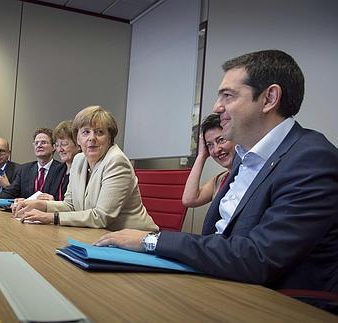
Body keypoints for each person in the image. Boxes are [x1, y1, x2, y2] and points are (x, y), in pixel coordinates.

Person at [95, 50, 338, 298]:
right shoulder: (246, 157)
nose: (217, 107)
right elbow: (220, 238)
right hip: (222, 284)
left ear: (269, 98)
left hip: (279, 302)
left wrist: (151, 241)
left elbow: (259, 258)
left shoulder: (311, 158)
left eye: (228, 96)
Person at [14, 106, 159, 231]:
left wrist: (51, 217)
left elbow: (101, 217)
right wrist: (41, 205)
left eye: (100, 132)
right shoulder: (79, 160)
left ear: (110, 138)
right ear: (77, 139)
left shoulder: (116, 161)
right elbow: (70, 205)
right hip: (98, 236)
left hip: (134, 240)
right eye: (85, 132)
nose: (92, 138)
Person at [0, 128, 66, 200]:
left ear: (54, 147)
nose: (39, 145)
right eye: (36, 143)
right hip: (25, 214)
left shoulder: (62, 170)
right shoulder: (24, 169)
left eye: (43, 142)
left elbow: (64, 199)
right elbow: (11, 192)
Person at [182, 113, 235, 207]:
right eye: (209, 145)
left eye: (221, 140)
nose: (216, 149)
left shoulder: (249, 174)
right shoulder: (220, 180)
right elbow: (189, 200)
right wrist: (201, 155)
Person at [37, 120, 80, 201]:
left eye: (64, 144)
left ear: (78, 145)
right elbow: (44, 195)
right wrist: (26, 202)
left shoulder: (84, 171)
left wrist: (54, 202)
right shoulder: (56, 170)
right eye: (57, 145)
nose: (60, 149)